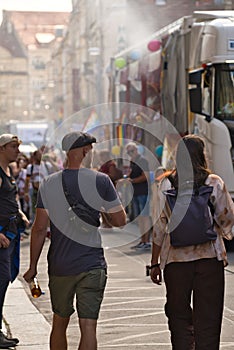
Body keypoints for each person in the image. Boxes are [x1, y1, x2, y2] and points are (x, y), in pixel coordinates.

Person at [23, 131, 126, 350]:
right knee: (88, 327)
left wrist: (32, 267)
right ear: (84, 151)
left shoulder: (49, 183)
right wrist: (103, 208)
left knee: (59, 323)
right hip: (91, 264)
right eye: (91, 149)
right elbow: (120, 220)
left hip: (60, 265)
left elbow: (40, 228)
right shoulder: (101, 180)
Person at [150, 134, 234, 349]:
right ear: (202, 155)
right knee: (209, 317)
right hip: (209, 259)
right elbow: (226, 218)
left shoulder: (166, 183)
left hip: (175, 260)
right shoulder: (213, 182)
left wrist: (154, 264)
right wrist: (219, 230)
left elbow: (159, 227)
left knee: (178, 317)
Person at [0, 134, 29, 348]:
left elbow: (9, 200)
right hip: (2, 236)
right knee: (1, 280)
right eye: (13, 147)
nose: (17, 151)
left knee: (7, 278)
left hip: (11, 232)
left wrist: (20, 214)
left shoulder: (9, 171)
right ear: (1, 149)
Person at [125, 142, 151, 250]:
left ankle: (147, 241)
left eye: (132, 151)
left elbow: (146, 176)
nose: (131, 154)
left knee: (144, 217)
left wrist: (132, 180)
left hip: (143, 191)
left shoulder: (142, 160)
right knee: (140, 218)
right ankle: (142, 240)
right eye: (128, 152)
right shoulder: (133, 162)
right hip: (135, 192)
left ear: (136, 150)